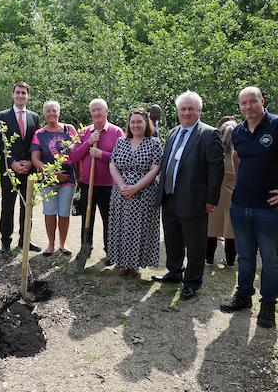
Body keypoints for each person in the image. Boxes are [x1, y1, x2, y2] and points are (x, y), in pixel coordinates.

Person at [220, 86, 278, 328]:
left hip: (270, 209)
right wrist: (243, 184)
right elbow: (236, 157)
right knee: (244, 256)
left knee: (271, 260)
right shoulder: (238, 131)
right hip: (241, 207)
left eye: (252, 101)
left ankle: (268, 305)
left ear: (262, 101)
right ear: (239, 107)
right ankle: (243, 296)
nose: (248, 106)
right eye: (243, 103)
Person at [152, 90, 224, 301]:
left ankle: (192, 282)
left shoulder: (209, 134)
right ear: (178, 111)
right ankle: (174, 272)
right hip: (170, 196)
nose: (186, 112)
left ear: (199, 111)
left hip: (195, 200)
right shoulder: (174, 132)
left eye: (191, 108)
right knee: (172, 238)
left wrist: (211, 199)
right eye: (182, 109)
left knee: (195, 244)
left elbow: (216, 169)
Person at [107, 108, 162, 276]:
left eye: (139, 121)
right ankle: (123, 263)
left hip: (144, 194)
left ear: (146, 123)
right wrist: (123, 185)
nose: (136, 125)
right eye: (133, 122)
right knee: (122, 227)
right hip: (121, 193)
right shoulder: (121, 142)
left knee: (140, 229)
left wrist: (136, 187)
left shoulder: (154, 143)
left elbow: (155, 168)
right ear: (129, 124)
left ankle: (135, 265)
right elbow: (113, 164)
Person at [71, 98, 124, 264]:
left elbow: (121, 158)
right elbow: (73, 156)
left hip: (109, 185)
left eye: (99, 109)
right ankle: (85, 247)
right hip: (88, 184)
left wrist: (101, 154)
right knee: (87, 217)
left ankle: (110, 251)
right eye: (93, 110)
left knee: (109, 219)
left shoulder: (117, 132)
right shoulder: (84, 132)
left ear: (107, 111)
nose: (96, 113)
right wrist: (88, 143)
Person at [0, 82, 41, 256]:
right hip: (10, 169)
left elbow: (36, 142)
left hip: (30, 169)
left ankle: (25, 239)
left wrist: (32, 161)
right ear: (13, 94)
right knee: (7, 207)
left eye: (24, 93)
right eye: (18, 92)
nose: (21, 95)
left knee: (27, 206)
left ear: (28, 96)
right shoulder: (1, 116)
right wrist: (12, 162)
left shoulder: (34, 117)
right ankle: (5, 243)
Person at [31, 101, 78, 256]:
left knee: (64, 213)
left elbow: (78, 151)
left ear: (59, 112)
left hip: (68, 179)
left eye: (54, 110)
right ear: (44, 114)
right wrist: (51, 172)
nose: (51, 113)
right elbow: (35, 159)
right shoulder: (39, 134)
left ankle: (62, 244)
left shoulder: (69, 129)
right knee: (50, 212)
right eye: (48, 111)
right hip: (48, 179)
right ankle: (50, 244)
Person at [206, 118, 238, 267]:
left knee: (211, 229)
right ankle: (230, 261)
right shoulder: (239, 155)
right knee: (231, 232)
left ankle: (209, 259)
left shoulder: (216, 153)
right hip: (233, 196)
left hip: (216, 195)